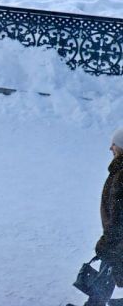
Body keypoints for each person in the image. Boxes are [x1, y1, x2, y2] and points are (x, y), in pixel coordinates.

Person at [90, 129, 123, 306]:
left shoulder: (121, 174)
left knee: (110, 264)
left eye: (114, 144)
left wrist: (108, 239)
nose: (110, 147)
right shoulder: (119, 170)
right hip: (117, 238)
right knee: (109, 267)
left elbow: (119, 214)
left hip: (118, 238)